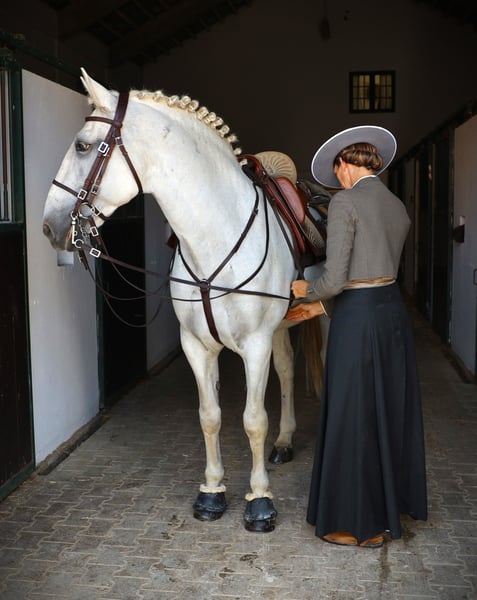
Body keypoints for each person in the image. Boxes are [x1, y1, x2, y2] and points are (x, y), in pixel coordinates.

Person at [287, 125, 427, 548]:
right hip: (391, 314)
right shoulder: (395, 204)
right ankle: (386, 512)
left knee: (353, 414)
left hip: (358, 322)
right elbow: (375, 273)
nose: (337, 180)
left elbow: (335, 279)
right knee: (386, 411)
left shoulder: (345, 202)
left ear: (343, 165)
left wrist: (307, 291)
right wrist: (326, 306)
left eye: (337, 173)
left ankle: (358, 524)